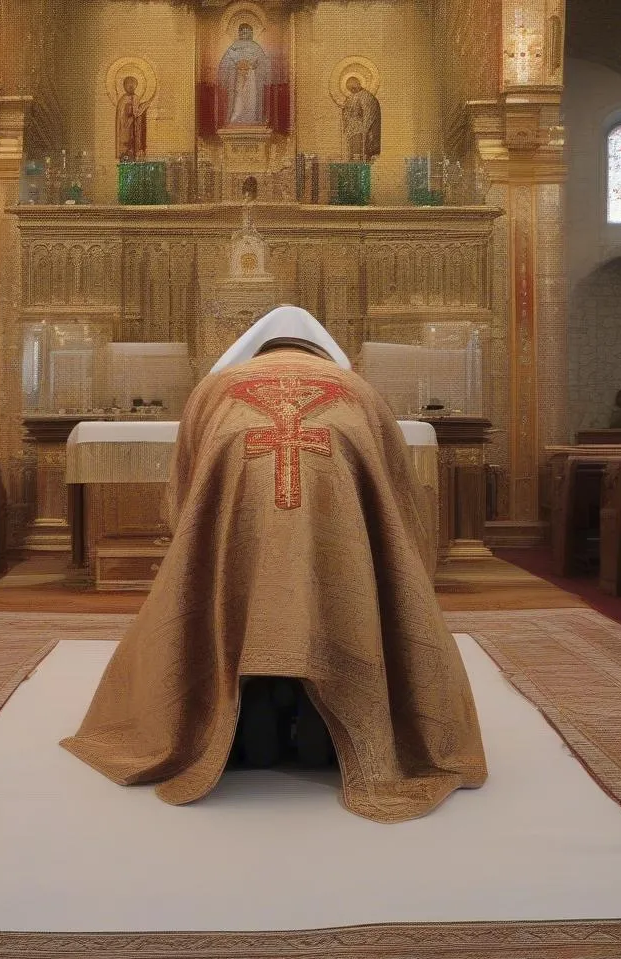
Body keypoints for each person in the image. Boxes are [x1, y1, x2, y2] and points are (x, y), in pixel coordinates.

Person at [61, 306, 487, 823]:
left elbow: (183, 489)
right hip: (341, 533)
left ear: (258, 349)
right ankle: (327, 728)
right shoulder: (359, 390)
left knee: (245, 589)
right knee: (336, 586)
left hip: (238, 519)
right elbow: (398, 496)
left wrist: (202, 536)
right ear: (318, 352)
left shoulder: (217, 388)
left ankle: (246, 717)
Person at [218, 23, 270, 126]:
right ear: (239, 32)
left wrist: (254, 65)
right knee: (238, 97)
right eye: (242, 31)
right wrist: (237, 64)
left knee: (251, 96)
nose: (244, 33)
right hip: (237, 77)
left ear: (251, 32)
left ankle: (251, 119)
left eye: (247, 31)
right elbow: (225, 63)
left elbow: (262, 63)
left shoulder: (256, 47)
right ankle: (236, 118)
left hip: (252, 77)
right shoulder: (233, 47)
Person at [341, 76, 381, 162]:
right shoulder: (351, 98)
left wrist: (363, 130)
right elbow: (347, 113)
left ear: (359, 84)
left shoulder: (367, 97)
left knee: (359, 154)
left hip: (361, 131)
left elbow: (368, 116)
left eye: (354, 87)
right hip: (352, 130)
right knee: (351, 154)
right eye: (350, 89)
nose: (352, 90)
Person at [115, 75, 148, 161]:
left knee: (133, 150)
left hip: (134, 129)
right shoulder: (123, 100)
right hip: (125, 130)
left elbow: (136, 113)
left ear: (135, 86)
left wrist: (142, 108)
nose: (130, 87)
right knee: (127, 151)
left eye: (132, 85)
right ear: (124, 86)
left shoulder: (136, 98)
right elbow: (123, 116)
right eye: (127, 85)